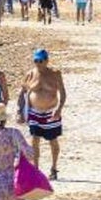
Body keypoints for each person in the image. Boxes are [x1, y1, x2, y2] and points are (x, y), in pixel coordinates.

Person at [19, 49, 66, 179]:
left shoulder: (55, 74)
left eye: (40, 61)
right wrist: (20, 111)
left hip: (51, 112)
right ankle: (35, 169)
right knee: (34, 140)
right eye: (35, 61)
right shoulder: (30, 74)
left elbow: (62, 93)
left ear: (46, 60)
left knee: (52, 140)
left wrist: (59, 109)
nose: (38, 64)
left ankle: (54, 168)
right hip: (35, 112)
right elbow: (22, 93)